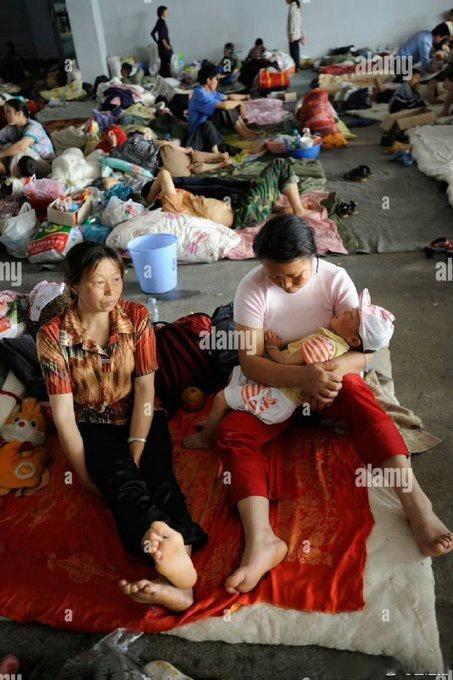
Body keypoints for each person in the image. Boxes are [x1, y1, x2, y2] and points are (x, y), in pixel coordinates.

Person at [209, 215, 452, 595]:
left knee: (360, 399)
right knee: (234, 434)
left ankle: (415, 503)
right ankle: (262, 540)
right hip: (278, 383)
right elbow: (251, 362)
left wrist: (324, 375)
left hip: (326, 380)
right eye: (275, 277)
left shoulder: (335, 279)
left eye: (295, 276)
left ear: (314, 258)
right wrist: (301, 378)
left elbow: (364, 353)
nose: (285, 285)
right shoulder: (251, 287)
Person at [36, 242, 207, 611]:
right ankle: (166, 547)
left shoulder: (137, 317)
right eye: (99, 282)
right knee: (123, 485)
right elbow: (64, 415)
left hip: (142, 413)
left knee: (159, 478)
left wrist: (137, 444)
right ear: (73, 285)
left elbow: (146, 388)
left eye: (116, 279)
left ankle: (179, 572)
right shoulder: (52, 336)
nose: (111, 291)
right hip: (94, 424)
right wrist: (84, 474)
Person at [183, 289, 395, 448]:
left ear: (354, 340)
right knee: (235, 374)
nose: (347, 310)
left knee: (221, 398)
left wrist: (272, 346)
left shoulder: (324, 345)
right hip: (282, 388)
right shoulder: (337, 344)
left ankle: (205, 438)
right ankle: (216, 419)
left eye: (352, 316)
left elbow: (284, 361)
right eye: (353, 310)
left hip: (277, 397)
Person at [143, 158, 309, 228]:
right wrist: (149, 199)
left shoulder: (180, 206)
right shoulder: (173, 207)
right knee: (280, 164)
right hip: (244, 211)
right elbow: (164, 174)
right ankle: (298, 210)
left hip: (242, 209)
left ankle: (276, 208)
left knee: (263, 185)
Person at [187, 62, 256, 152]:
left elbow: (228, 97)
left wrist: (244, 97)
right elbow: (225, 106)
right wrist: (239, 102)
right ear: (208, 80)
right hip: (201, 130)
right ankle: (244, 134)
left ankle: (245, 131)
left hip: (210, 124)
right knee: (224, 110)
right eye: (216, 79)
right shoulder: (200, 94)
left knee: (229, 104)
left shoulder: (210, 91)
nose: (217, 82)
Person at [0, 99, 54, 177]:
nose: (5, 115)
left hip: (44, 165)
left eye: (8, 112)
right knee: (5, 147)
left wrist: (1, 155)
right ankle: (5, 175)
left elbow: (21, 147)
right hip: (26, 164)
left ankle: (11, 181)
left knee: (20, 150)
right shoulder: (11, 128)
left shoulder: (34, 126)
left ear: (19, 113)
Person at [151, 5, 173, 79]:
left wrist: (157, 42)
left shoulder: (159, 21)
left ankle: (162, 78)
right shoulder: (162, 22)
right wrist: (166, 45)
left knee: (164, 63)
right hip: (164, 47)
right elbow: (162, 36)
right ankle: (167, 78)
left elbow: (152, 33)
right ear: (162, 13)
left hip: (161, 46)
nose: (167, 13)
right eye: (166, 12)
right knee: (167, 63)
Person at [286, 0, 306, 72]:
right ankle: (296, 67)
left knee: (294, 52)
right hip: (296, 33)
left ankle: (296, 68)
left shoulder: (293, 7)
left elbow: (293, 22)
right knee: (296, 51)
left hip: (294, 34)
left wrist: (291, 34)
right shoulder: (296, 7)